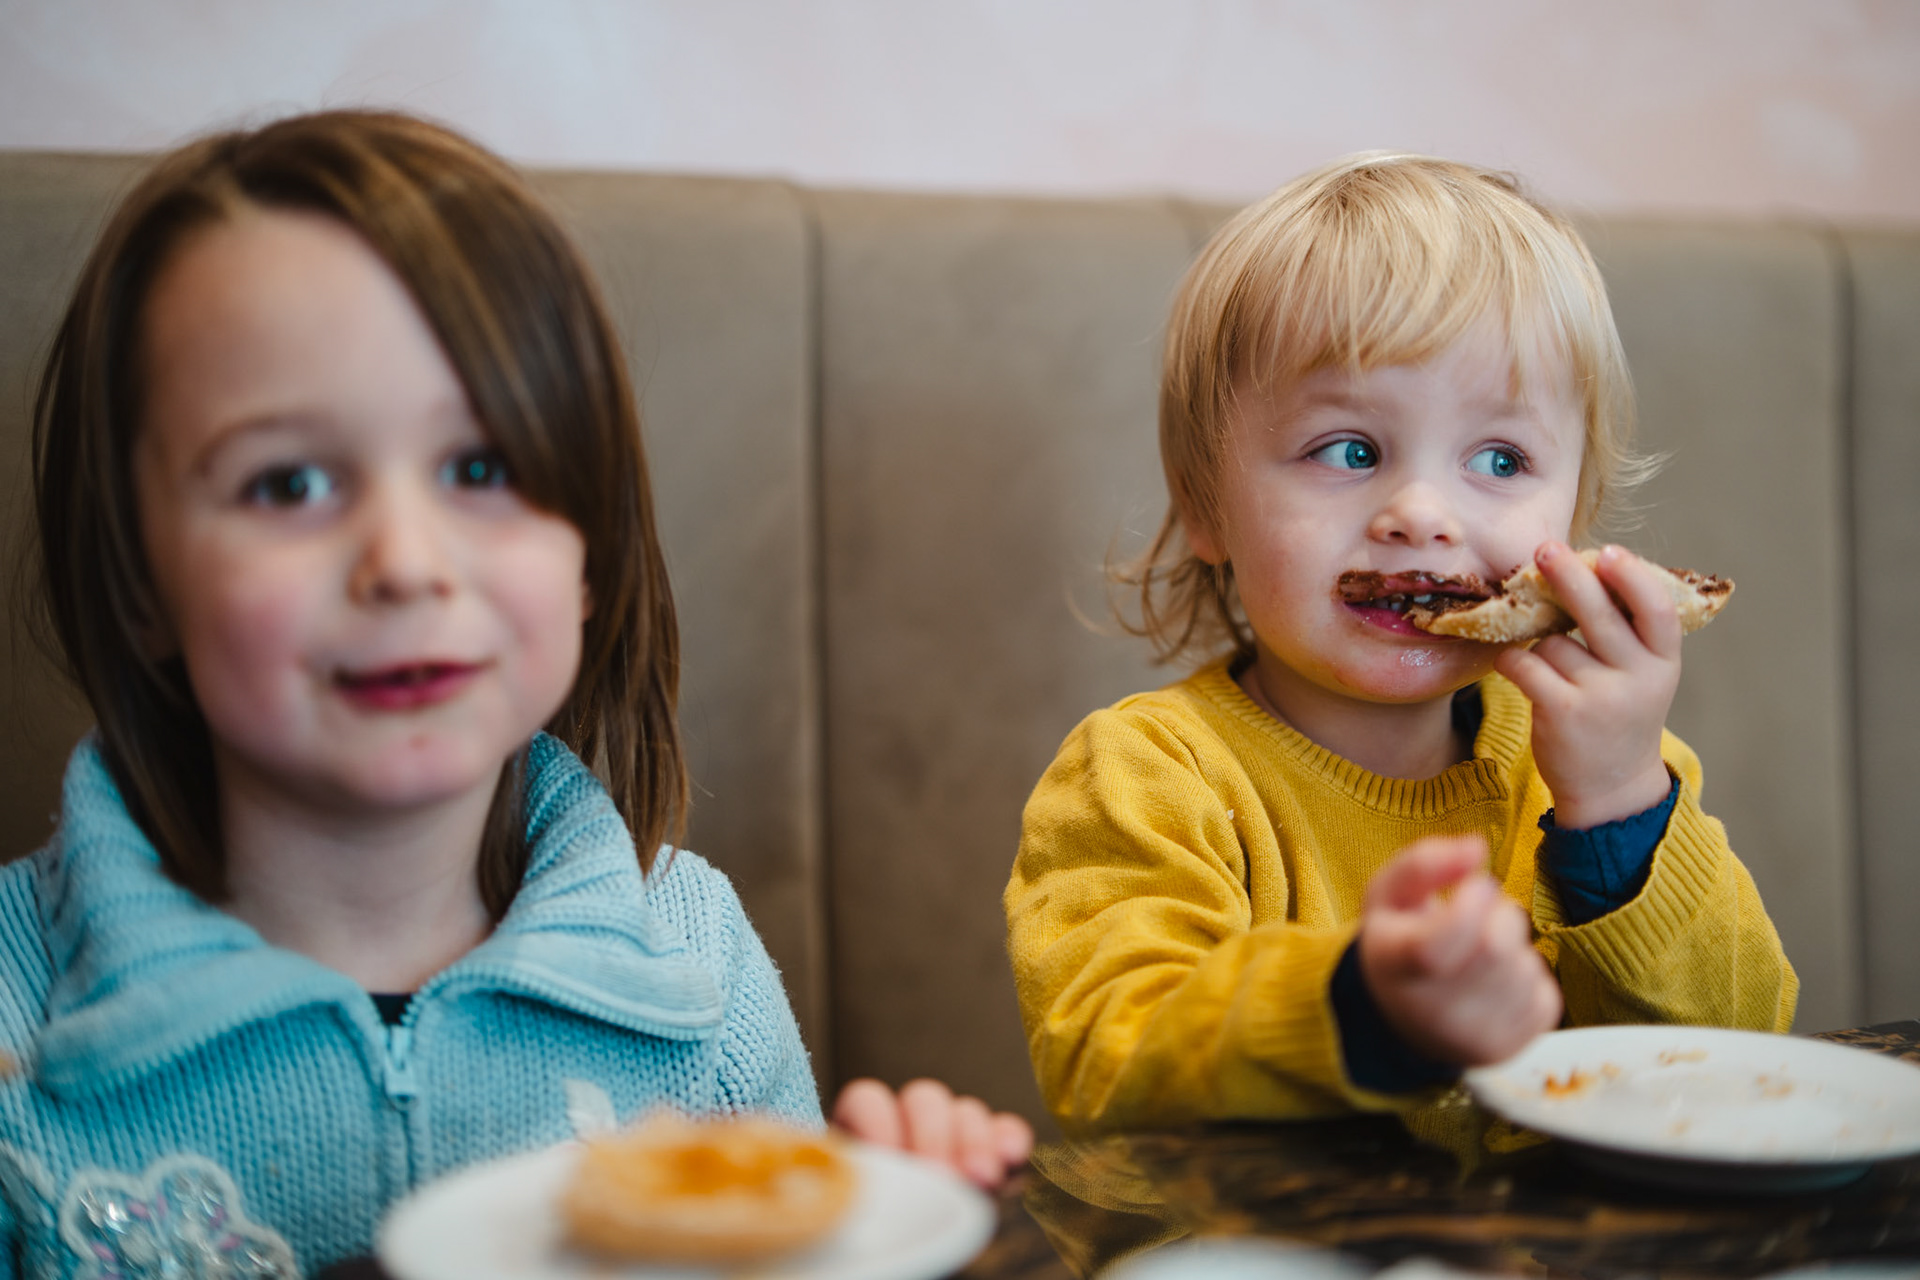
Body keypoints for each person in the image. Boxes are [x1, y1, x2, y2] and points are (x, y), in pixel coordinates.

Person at [4, 110, 1028, 1277]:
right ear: (138, 582)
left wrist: (877, 1244)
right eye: (287, 483)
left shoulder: (698, 962)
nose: (405, 561)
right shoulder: (15, 1016)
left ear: (590, 559)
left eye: (483, 467)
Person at [1005, 153, 1797, 1133]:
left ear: (1573, 513)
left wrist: (1619, 810)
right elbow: (1109, 1060)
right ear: (1206, 505)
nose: (1422, 513)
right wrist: (1361, 1006)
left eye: (1499, 459)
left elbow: (1741, 1062)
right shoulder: (1145, 778)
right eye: (1349, 449)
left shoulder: (1611, 772)